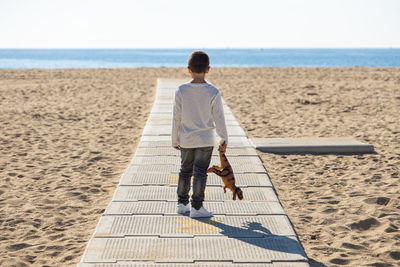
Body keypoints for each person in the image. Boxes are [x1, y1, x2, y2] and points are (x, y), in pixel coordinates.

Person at [172, 51, 228, 218]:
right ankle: (197, 207)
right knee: (200, 172)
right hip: (205, 139)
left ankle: (182, 204)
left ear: (188, 69)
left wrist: (175, 139)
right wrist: (223, 138)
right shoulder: (213, 92)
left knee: (185, 170)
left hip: (186, 138)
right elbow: (219, 117)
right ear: (208, 69)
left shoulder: (181, 90)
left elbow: (176, 117)